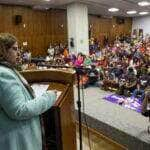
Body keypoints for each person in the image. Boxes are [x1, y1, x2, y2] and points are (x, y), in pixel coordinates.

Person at [0, 33, 57, 150]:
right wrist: (49, 97)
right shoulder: (3, 74)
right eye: (15, 49)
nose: (19, 53)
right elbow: (19, 110)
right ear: (3, 50)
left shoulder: (6, 69)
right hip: (17, 139)